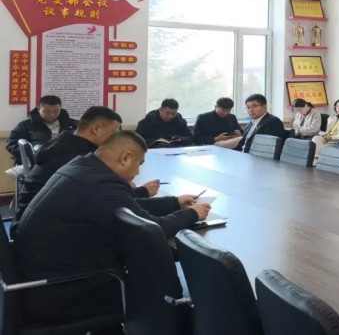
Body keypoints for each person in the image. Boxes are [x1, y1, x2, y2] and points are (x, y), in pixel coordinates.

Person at [14, 131, 210, 326]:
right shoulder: (100, 183)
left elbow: (125, 207)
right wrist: (192, 214)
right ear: (125, 158)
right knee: (152, 258)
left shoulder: (82, 167)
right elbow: (151, 229)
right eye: (139, 164)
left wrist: (174, 203)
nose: (138, 172)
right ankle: (175, 318)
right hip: (64, 291)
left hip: (37, 277)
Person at [14, 106, 160, 223]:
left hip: (29, 222)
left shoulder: (63, 145)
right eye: (114, 133)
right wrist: (142, 192)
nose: (116, 139)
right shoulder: (79, 159)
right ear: (96, 129)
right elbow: (106, 200)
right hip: (44, 232)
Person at [6, 95, 78, 165]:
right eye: (47, 111)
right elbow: (11, 143)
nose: (52, 114)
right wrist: (31, 153)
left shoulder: (72, 124)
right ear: (39, 109)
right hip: (36, 163)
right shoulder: (26, 125)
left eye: (56, 111)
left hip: (67, 163)